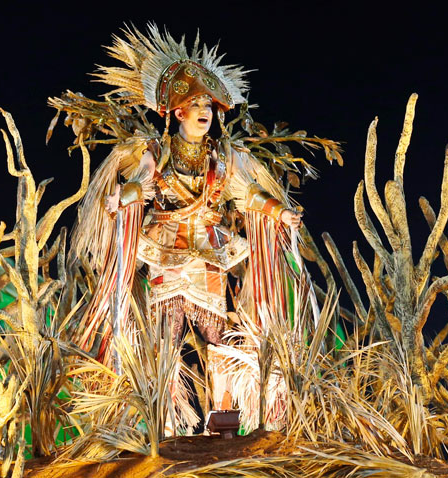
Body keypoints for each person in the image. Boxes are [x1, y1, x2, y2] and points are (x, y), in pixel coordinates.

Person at [63, 24, 323, 430]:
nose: (204, 111)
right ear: (178, 112)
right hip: (166, 250)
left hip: (210, 254)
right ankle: (164, 418)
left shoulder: (225, 155)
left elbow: (248, 193)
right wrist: (120, 200)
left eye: (209, 105)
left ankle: (222, 415)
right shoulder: (156, 150)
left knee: (216, 338)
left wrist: (279, 213)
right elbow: (140, 184)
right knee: (166, 336)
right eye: (195, 104)